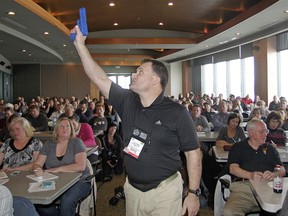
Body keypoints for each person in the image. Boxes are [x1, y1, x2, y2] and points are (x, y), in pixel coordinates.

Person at [72, 25, 202, 216]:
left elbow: (194, 154)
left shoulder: (177, 112)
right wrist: (80, 46)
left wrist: (192, 193)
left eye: (140, 72)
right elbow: (98, 78)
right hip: (132, 189)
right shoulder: (127, 101)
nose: (134, 74)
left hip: (165, 191)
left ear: (155, 80)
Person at [222, 119, 285, 216]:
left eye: (266, 131)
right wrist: (250, 175)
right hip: (244, 189)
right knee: (229, 212)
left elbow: (282, 169)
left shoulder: (270, 148)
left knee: (281, 209)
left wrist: (274, 174)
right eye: (261, 132)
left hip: (268, 188)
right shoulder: (238, 147)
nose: (265, 134)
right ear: (251, 133)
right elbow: (233, 168)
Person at [32, 117, 91, 216]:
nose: (65, 129)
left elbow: (80, 166)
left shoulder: (77, 142)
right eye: (61, 126)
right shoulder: (48, 145)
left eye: (68, 126)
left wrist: (57, 169)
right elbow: (37, 164)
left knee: (67, 200)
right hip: (55, 181)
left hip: (80, 181)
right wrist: (38, 169)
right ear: (56, 129)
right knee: (40, 202)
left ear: (71, 129)